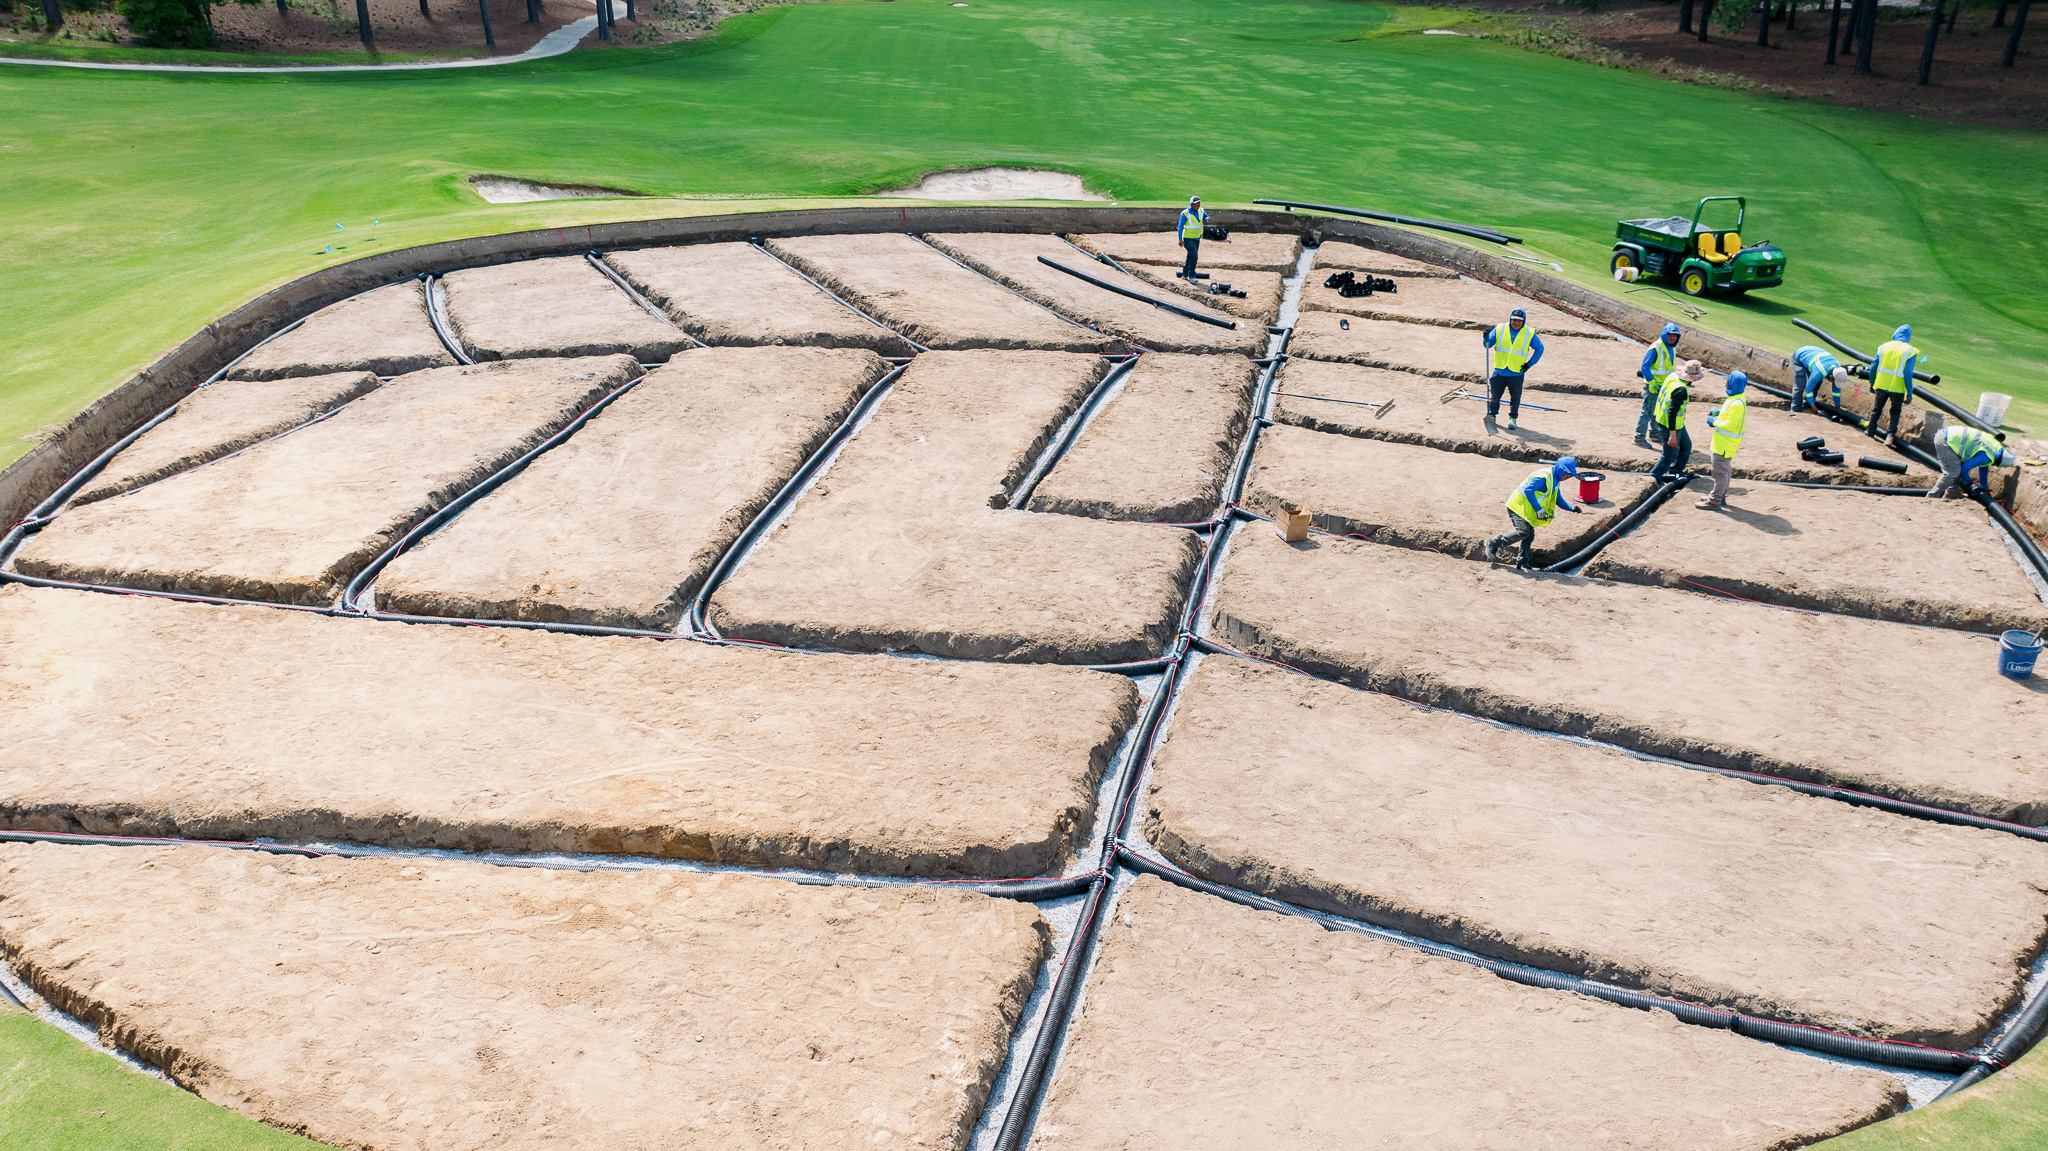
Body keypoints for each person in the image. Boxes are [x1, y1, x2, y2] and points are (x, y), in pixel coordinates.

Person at [1482, 456, 1583, 570]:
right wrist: (1540, 511)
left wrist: (1571, 508)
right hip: (1517, 506)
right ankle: (1493, 543)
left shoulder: (1554, 480)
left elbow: (1558, 499)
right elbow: (1528, 490)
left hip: (1525, 510)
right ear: (1561, 470)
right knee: (1523, 532)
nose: (1568, 477)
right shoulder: (1544, 478)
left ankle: (1522, 561)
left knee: (1529, 536)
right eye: (1568, 475)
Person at [1482, 308, 1546, 430]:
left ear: (1523, 321)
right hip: (1499, 371)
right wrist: (1485, 338)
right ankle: (1492, 415)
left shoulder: (1529, 333)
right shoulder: (1500, 329)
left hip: (1516, 373)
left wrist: (1530, 364)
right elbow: (1487, 345)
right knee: (1494, 397)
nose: (1516, 323)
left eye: (1519, 321)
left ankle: (1513, 418)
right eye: (1514, 320)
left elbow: (1540, 348)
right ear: (1510, 319)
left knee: (1515, 398)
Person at [1697, 370, 1749, 511]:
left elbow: (1729, 424)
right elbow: (1729, 415)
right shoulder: (1736, 398)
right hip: (1724, 443)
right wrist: (1718, 413)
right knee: (1724, 471)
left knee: (1720, 473)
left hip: (1724, 445)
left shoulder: (1737, 403)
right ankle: (1720, 496)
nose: (1726, 383)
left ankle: (1714, 501)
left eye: (1728, 381)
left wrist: (1714, 421)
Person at [1867, 324, 1924, 443]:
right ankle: (1890, 437)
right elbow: (1908, 373)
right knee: (1895, 412)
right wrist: (1909, 392)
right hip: (1897, 387)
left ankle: (1870, 430)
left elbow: (1873, 366)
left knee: (1876, 409)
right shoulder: (1910, 351)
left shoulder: (1883, 347)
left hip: (1881, 383)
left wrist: (1872, 382)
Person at [1927, 424, 2013, 499]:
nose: (1995, 466)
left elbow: (1983, 469)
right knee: (1952, 472)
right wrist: (1969, 483)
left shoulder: (1994, 449)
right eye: (1997, 465)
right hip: (1946, 440)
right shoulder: (1987, 456)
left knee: (1956, 467)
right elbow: (1963, 469)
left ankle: (1952, 492)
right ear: (1999, 461)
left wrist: (1984, 487)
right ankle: (1932, 496)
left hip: (1949, 437)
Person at [1651, 360, 1701, 482]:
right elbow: (1672, 412)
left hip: (1672, 422)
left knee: (1686, 446)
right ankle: (1655, 477)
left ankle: (1674, 473)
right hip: (1669, 425)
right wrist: (1672, 435)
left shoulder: (1673, 376)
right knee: (1670, 454)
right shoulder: (1680, 390)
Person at [1635, 323, 1681, 446]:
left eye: (1675, 336)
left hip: (1664, 387)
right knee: (1647, 412)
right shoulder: (1656, 348)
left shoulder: (1672, 348)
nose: (1673, 338)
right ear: (1665, 335)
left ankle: (1654, 434)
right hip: (1653, 387)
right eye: (1670, 335)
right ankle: (1639, 438)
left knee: (1658, 412)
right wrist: (1651, 382)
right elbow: (1645, 366)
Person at [1789, 344, 1849, 414]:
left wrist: (1837, 406)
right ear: (1831, 376)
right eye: (1833, 381)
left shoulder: (1838, 371)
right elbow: (1808, 389)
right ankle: (1795, 409)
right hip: (1800, 357)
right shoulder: (1819, 372)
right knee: (1800, 385)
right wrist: (1813, 406)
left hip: (1814, 357)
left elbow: (1836, 391)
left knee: (1816, 384)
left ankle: (1806, 406)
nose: (1833, 383)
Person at [1176, 196, 1209, 280]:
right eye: (1196, 205)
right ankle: (1191, 275)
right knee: (1194, 256)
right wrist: (1180, 239)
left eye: (1199, 204)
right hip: (1188, 238)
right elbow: (1180, 227)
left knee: (1190, 256)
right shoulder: (1185, 213)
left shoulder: (1201, 210)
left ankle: (1185, 274)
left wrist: (1207, 218)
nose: (1198, 206)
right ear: (1191, 204)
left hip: (1197, 238)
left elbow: (1206, 216)